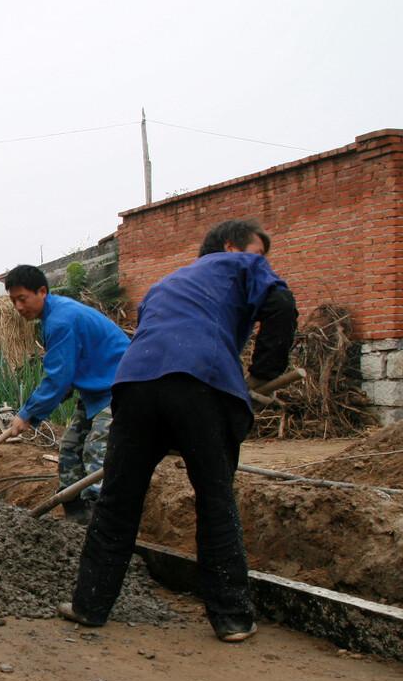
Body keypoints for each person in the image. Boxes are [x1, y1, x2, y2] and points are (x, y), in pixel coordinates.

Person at [59, 219, 297, 642]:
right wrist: (262, 374)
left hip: (134, 385)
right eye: (260, 253)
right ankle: (232, 618)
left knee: (117, 501)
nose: (263, 262)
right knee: (214, 498)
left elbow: (158, 333)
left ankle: (89, 605)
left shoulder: (165, 284)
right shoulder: (240, 265)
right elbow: (281, 306)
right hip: (199, 381)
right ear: (232, 247)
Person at [0, 265, 131, 523]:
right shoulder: (54, 316)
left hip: (122, 386)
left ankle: (103, 520)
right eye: (13, 300)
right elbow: (68, 372)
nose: (18, 307)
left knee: (98, 450)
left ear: (42, 292)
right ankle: (76, 516)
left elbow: (58, 378)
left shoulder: (61, 320)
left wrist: (27, 414)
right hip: (97, 390)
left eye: (22, 299)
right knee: (70, 448)